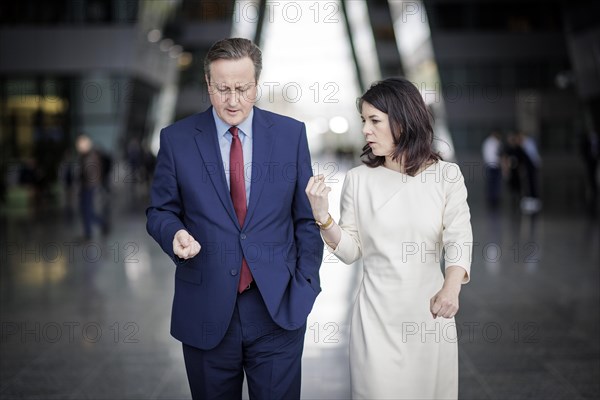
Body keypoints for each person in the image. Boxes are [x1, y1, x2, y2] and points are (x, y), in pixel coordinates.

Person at [146, 38, 323, 400]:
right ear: (208, 85)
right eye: (222, 89)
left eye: (242, 88)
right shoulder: (177, 139)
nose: (232, 100)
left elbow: (306, 219)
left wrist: (305, 284)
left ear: (257, 84)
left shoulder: (290, 136)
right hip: (206, 310)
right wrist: (174, 232)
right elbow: (160, 210)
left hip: (277, 309)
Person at [306, 77, 473, 399]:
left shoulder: (446, 176)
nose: (366, 130)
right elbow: (351, 250)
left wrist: (450, 289)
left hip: (429, 314)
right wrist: (322, 216)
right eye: (363, 121)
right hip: (375, 320)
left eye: (374, 121)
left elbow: (459, 239)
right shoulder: (358, 180)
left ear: (403, 121)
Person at [75, 134, 107, 240]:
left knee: (86, 210)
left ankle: (91, 231)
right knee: (86, 210)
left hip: (88, 186)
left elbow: (91, 172)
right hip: (87, 186)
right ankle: (100, 225)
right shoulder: (86, 155)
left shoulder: (90, 156)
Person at [482, 131, 503, 208]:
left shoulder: (497, 142)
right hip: (491, 166)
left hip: (496, 166)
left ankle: (495, 200)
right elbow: (490, 156)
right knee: (491, 184)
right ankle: (491, 200)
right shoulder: (489, 143)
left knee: (495, 184)